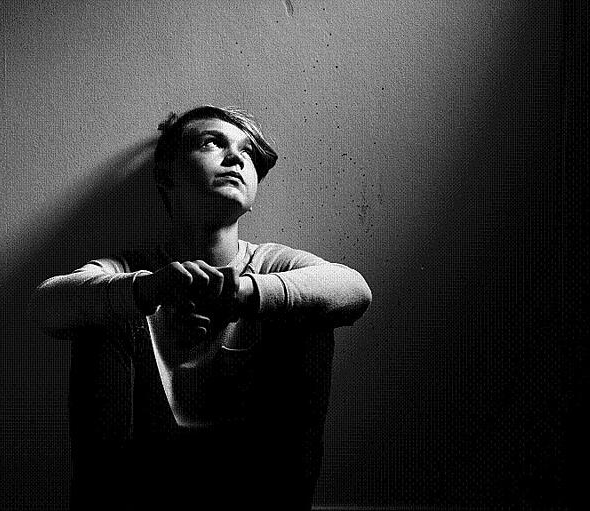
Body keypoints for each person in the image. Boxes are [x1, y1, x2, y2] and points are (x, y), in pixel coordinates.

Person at [29, 105, 371, 509]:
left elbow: (355, 290)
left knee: (310, 310)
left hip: (258, 475)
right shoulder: (131, 268)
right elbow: (46, 306)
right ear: (166, 175)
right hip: (141, 481)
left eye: (247, 152)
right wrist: (150, 290)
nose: (235, 157)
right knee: (103, 308)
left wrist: (242, 295)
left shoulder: (271, 262)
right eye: (212, 143)